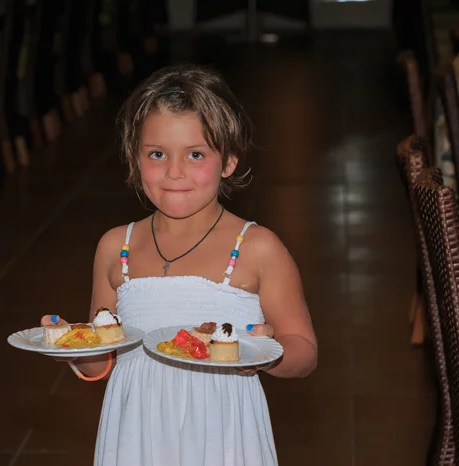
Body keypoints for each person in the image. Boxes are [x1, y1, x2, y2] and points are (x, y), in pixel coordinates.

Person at [41, 64, 318, 465]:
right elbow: (102, 358)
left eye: (195, 154)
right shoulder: (115, 248)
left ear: (228, 162)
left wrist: (266, 351)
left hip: (222, 437)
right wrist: (69, 343)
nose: (174, 172)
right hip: (136, 436)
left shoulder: (258, 249)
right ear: (135, 160)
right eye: (157, 154)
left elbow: (304, 352)